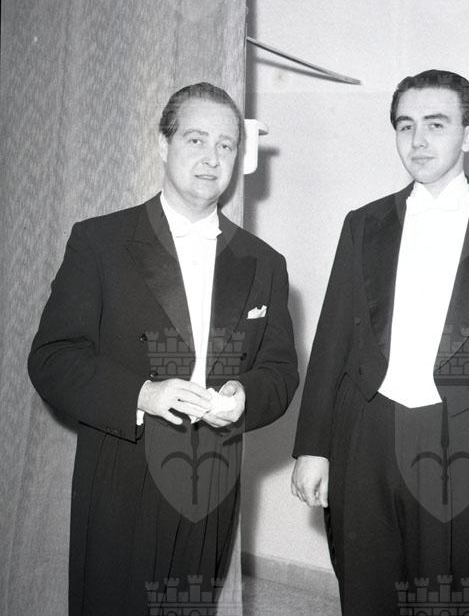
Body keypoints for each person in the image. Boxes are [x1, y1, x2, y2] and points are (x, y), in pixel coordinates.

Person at [28, 82, 298, 615]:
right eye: (196, 140)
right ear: (162, 144)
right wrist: (144, 394)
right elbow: (53, 357)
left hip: (213, 482)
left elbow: (280, 370)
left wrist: (245, 393)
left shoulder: (265, 261)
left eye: (225, 145)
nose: (212, 158)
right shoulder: (100, 242)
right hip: (122, 477)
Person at [291, 69, 469, 614]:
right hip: (365, 436)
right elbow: (332, 342)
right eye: (405, 125)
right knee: (364, 595)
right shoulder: (362, 224)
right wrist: (313, 446)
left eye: (436, 124)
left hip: (463, 445)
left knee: (447, 602)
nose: (418, 140)